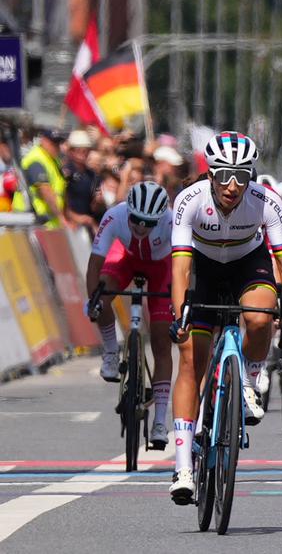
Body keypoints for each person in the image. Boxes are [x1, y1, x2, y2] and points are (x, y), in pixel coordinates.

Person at [167, 132, 282, 504]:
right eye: (225, 176)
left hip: (248, 262)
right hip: (203, 268)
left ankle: (251, 377)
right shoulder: (189, 202)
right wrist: (180, 310)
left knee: (261, 318)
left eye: (242, 177)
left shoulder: (266, 202)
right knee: (190, 361)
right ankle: (183, 467)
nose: (233, 186)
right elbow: (180, 269)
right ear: (210, 174)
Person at [86, 181, 174, 448]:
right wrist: (94, 301)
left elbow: (184, 265)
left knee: (161, 340)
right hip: (125, 258)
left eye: (149, 222)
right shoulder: (114, 215)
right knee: (101, 294)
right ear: (129, 211)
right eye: (136, 219)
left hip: (162, 267)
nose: (140, 227)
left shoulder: (172, 222)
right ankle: (112, 351)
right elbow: (95, 264)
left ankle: (160, 420)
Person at [12, 128, 67, 227]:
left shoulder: (52, 159)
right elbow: (46, 191)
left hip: (46, 221)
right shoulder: (36, 159)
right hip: (31, 220)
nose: (56, 147)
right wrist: (61, 217)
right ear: (43, 140)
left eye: (58, 143)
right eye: (53, 143)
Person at [63, 130, 99, 234]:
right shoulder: (65, 173)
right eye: (78, 150)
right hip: (70, 225)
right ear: (71, 151)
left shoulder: (92, 175)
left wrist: (98, 201)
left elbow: (93, 205)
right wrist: (76, 217)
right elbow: (61, 201)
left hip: (87, 225)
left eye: (86, 150)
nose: (83, 153)